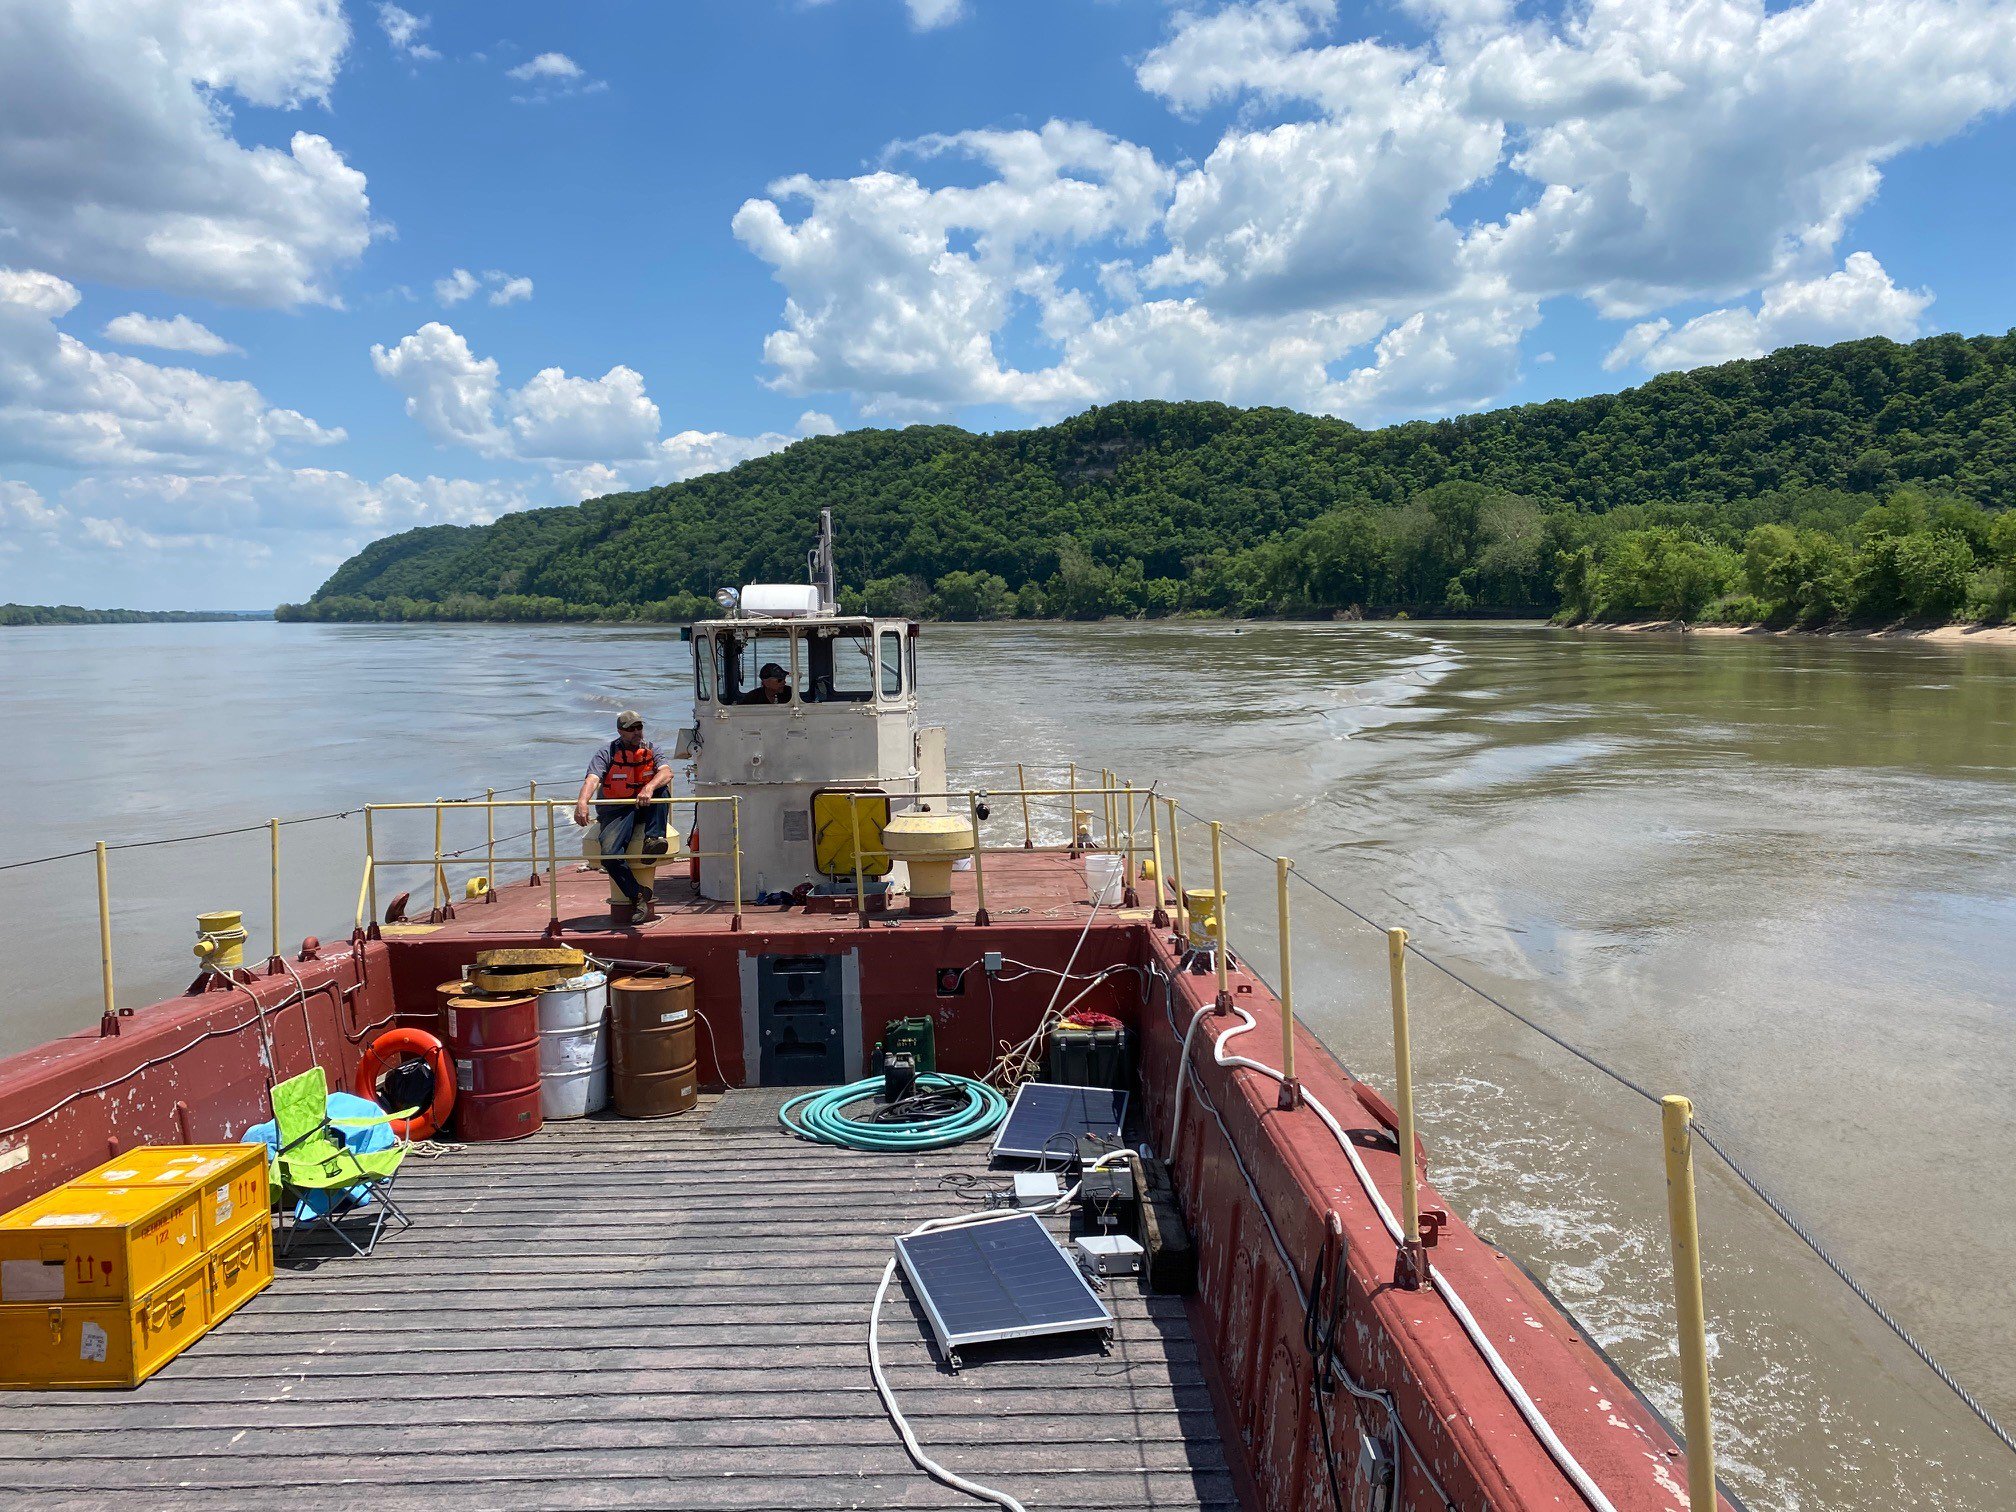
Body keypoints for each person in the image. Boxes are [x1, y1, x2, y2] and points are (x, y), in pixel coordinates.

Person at [572, 710, 672, 923]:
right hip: (618, 810)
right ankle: (637, 894)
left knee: (662, 790)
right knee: (609, 854)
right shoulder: (606, 753)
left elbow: (666, 772)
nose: (637, 732)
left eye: (639, 727)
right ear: (620, 731)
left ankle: (653, 840)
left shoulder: (652, 749)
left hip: (643, 804)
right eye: (631, 729)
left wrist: (649, 787)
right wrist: (582, 803)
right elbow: (592, 778)